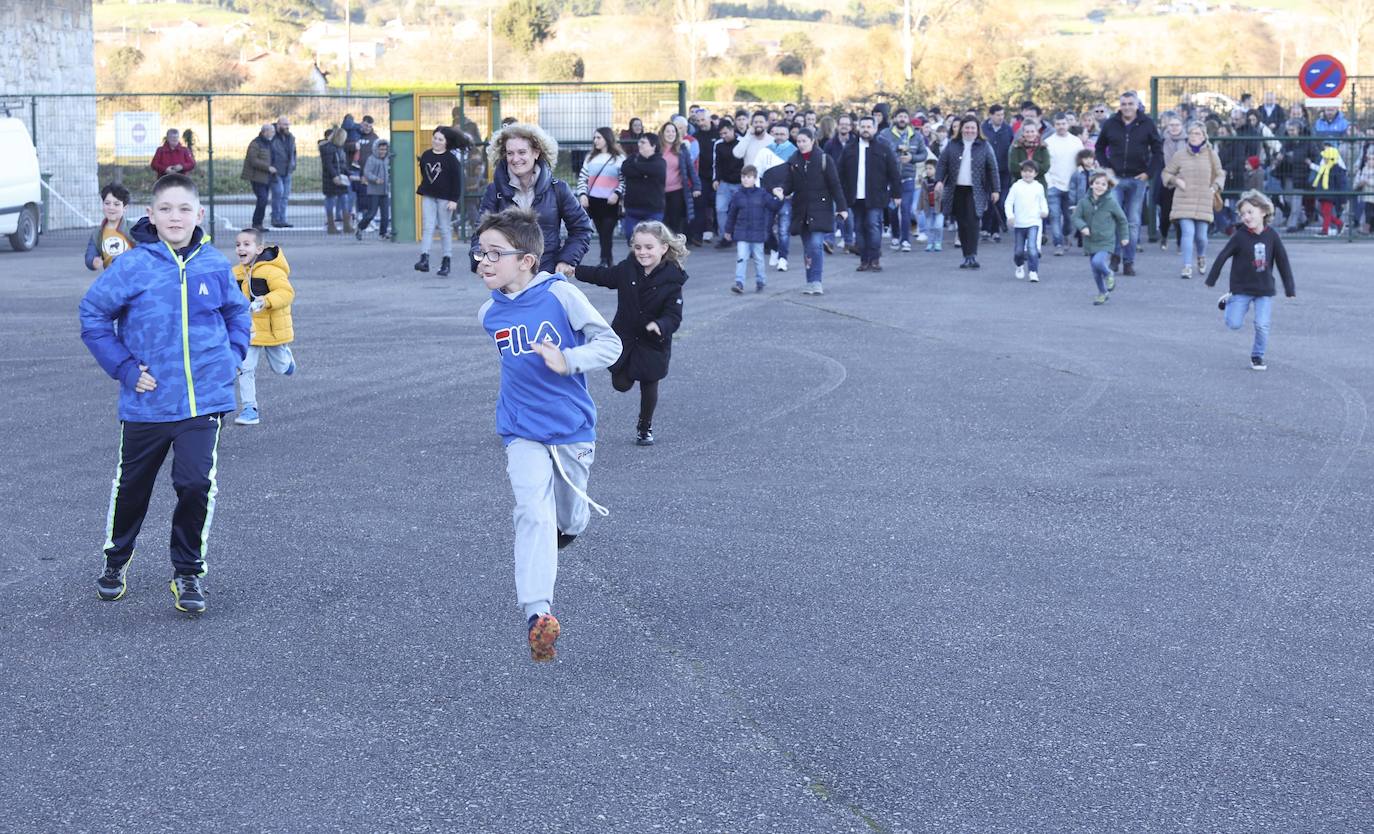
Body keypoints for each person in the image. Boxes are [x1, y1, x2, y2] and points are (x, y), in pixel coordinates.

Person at [78, 173, 251, 614]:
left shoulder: (214, 264)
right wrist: (124, 367)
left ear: (200, 215)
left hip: (204, 402)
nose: (176, 217)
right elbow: (93, 315)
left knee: (195, 483)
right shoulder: (133, 265)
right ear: (151, 216)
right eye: (167, 209)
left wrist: (231, 356)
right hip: (147, 403)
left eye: (184, 209)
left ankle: (188, 572)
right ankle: (116, 560)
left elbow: (236, 312)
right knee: (133, 485)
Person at [474, 208, 623, 662]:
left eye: (495, 253)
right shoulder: (488, 311)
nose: (483, 261)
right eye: (480, 252)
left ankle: (570, 528)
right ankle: (538, 614)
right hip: (520, 430)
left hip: (572, 429)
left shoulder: (561, 295)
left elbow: (610, 344)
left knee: (569, 518)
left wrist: (569, 360)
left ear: (527, 260)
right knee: (530, 511)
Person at [574, 220, 686, 446]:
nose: (642, 252)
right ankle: (632, 370)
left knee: (649, 382)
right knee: (621, 384)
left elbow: (674, 315)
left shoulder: (673, 279)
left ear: (663, 248)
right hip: (624, 336)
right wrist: (574, 270)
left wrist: (660, 325)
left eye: (648, 247)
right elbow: (602, 276)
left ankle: (645, 427)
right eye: (637, 247)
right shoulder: (627, 269)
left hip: (653, 341)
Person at [470, 122, 594, 277]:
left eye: (522, 152)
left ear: (536, 153)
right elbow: (479, 233)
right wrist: (479, 261)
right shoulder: (494, 190)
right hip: (507, 278)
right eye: (510, 153)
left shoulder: (558, 189)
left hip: (547, 275)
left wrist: (566, 260)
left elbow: (582, 228)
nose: (515, 159)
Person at [1204, 190, 1296, 371]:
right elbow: (1223, 256)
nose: (1246, 217)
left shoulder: (1272, 236)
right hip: (1242, 288)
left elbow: (1283, 262)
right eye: (1243, 214)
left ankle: (1257, 356)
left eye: (1250, 212)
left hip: (1264, 289)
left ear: (1263, 212)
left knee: (1262, 325)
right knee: (1234, 324)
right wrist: (1212, 278)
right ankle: (1229, 300)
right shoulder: (1239, 236)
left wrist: (1289, 289)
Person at [231, 227, 297, 426]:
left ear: (259, 249)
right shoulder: (235, 273)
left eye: (246, 244)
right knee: (245, 368)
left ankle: (287, 361)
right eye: (237, 245)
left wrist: (266, 300)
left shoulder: (272, 271)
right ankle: (250, 408)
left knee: (280, 368)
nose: (240, 248)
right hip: (248, 330)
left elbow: (286, 293)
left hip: (272, 330)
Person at [1095, 91, 1163, 275]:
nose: (1127, 107)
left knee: (1132, 221)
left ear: (1137, 105)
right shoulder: (1111, 124)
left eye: (1130, 104)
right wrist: (1106, 168)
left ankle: (1129, 260)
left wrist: (1149, 173)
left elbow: (1158, 150)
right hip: (1115, 179)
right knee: (1116, 219)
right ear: (1120, 105)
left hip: (1137, 179)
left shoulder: (1146, 123)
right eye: (1123, 104)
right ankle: (1115, 257)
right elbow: (1099, 147)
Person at [783, 128, 848, 295]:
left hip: (821, 208)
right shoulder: (793, 161)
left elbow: (835, 185)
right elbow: (789, 185)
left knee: (816, 244)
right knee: (807, 248)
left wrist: (842, 207)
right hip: (801, 210)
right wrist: (780, 190)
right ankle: (809, 281)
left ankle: (817, 281)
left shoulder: (824, 159)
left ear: (812, 141)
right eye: (798, 141)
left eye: (804, 141)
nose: (801, 144)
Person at [934, 115, 1000, 269]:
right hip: (956, 189)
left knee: (973, 221)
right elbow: (942, 164)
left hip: (975, 189)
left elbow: (993, 169)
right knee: (962, 223)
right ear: (961, 129)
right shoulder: (952, 144)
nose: (970, 131)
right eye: (967, 127)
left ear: (978, 130)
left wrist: (996, 190)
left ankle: (972, 255)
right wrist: (939, 180)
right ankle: (966, 255)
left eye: (973, 128)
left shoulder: (984, 146)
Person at [1161, 121, 1224, 280]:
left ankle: (1201, 256)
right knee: (1187, 233)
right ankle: (1187, 266)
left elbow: (1220, 174)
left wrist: (1215, 187)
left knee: (1201, 237)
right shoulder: (1180, 155)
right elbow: (1166, 173)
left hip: (1204, 199)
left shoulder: (1211, 154)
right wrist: (1176, 181)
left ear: (1204, 136)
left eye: (1198, 134)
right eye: (1192, 133)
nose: (1194, 136)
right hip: (1184, 199)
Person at [840, 115, 900, 272]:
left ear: (875, 129)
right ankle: (864, 260)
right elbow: (841, 173)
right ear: (858, 128)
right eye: (863, 126)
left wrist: (896, 194)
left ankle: (874, 259)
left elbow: (893, 172)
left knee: (873, 226)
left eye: (869, 127)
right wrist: (840, 196)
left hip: (876, 197)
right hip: (855, 197)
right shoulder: (850, 148)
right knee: (859, 228)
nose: (866, 130)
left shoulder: (883, 149)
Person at [1071, 171, 1129, 305]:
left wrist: (1125, 236)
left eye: (1103, 184)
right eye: (1096, 183)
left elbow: (1122, 220)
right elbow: (1076, 217)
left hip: (1106, 240)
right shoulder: (1084, 202)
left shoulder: (1111, 203)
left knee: (1098, 262)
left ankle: (1109, 274)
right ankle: (1102, 292)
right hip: (1090, 241)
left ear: (1108, 186)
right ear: (1091, 184)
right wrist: (1083, 226)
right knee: (1095, 270)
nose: (1099, 186)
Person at [414, 126, 465, 276]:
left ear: (446, 142)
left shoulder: (451, 160)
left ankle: (446, 261)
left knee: (444, 229)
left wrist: (453, 199)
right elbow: (425, 173)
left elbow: (457, 181)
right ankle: (424, 258)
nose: (436, 141)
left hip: (445, 199)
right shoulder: (426, 155)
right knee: (428, 226)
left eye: (440, 139)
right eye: (435, 138)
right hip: (429, 195)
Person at [724, 164, 781, 293]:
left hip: (758, 231)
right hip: (741, 231)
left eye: (749, 177)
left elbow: (773, 206)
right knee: (741, 257)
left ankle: (760, 280)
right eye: (743, 177)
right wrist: (728, 230)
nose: (745, 180)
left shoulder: (762, 194)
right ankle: (739, 283)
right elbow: (731, 214)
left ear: (755, 179)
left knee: (759, 258)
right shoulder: (737, 195)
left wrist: (779, 198)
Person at [576, 126, 626, 268]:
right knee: (601, 231)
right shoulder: (590, 157)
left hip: (611, 202)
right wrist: (582, 194)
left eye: (599, 137)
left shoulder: (618, 159)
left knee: (607, 231)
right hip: (594, 201)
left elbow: (623, 180)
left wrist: (617, 193)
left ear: (607, 138)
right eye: (594, 138)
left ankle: (605, 259)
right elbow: (583, 178)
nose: (595, 141)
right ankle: (607, 259)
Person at [877, 108, 926, 252]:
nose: (902, 119)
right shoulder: (885, 134)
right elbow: (879, 149)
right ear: (895, 118)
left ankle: (905, 240)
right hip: (890, 178)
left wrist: (912, 158)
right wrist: (896, 148)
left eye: (905, 116)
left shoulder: (916, 136)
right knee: (892, 209)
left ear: (908, 119)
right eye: (900, 116)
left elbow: (923, 154)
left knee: (905, 209)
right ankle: (895, 237)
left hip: (908, 177)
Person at [1044, 113, 1085, 256]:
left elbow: (1081, 162)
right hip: (1054, 184)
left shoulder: (1076, 142)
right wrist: (1049, 182)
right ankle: (1058, 243)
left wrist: (1080, 180)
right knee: (1055, 215)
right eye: (1058, 124)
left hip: (1071, 186)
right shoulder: (1048, 142)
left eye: (1063, 124)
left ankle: (1067, 234)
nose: (1061, 127)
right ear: (1054, 125)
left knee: (1069, 217)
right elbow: (1045, 164)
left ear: (1068, 124)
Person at [1004, 159, 1049, 282]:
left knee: (1032, 248)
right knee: (1019, 251)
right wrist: (1010, 216)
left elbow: (1042, 201)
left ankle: (1033, 271)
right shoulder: (1016, 186)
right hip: (1019, 223)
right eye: (1024, 171)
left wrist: (1045, 211)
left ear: (1035, 173)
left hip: (1033, 222)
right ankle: (1019, 266)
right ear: (1021, 172)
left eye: (1030, 171)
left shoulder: (1038, 187)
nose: (1027, 174)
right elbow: (1008, 202)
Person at [621, 132, 668, 241]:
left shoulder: (660, 162)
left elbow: (655, 169)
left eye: (643, 142)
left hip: (653, 209)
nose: (639, 144)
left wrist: (636, 169)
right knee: (631, 237)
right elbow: (625, 169)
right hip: (633, 209)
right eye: (639, 142)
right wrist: (644, 172)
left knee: (651, 239)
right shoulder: (632, 158)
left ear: (653, 146)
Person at [763, 122, 798, 270]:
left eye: (782, 134)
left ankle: (783, 258)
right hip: (769, 195)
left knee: (784, 230)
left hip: (787, 196)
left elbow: (796, 176)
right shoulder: (766, 150)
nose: (779, 137)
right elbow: (761, 173)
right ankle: (774, 249)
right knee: (766, 228)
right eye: (776, 134)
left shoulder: (794, 151)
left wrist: (789, 192)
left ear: (788, 135)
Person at [659, 120, 701, 239]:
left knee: (675, 222)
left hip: (677, 191)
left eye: (673, 131)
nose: (670, 134)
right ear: (663, 133)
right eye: (668, 131)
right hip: (660, 192)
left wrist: (696, 186)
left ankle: (674, 250)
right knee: (661, 222)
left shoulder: (681, 149)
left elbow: (690, 169)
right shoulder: (657, 149)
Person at [981, 105, 1015, 241]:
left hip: (1003, 170)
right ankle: (986, 228)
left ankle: (995, 229)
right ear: (990, 115)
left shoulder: (1008, 130)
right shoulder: (983, 129)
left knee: (1000, 200)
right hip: (986, 170)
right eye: (997, 115)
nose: (1000, 117)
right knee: (988, 200)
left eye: (1002, 114)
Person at [1155, 114, 1187, 252]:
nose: (1174, 128)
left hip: (1183, 182)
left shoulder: (1187, 142)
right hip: (1165, 182)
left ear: (1182, 126)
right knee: (1166, 213)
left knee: (1181, 214)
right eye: (1171, 125)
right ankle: (1164, 236)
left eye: (1177, 125)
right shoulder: (1161, 141)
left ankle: (1180, 243)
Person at [85, 183, 134, 271]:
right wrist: (93, 261)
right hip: (111, 278)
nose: (111, 207)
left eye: (116, 204)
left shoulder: (134, 228)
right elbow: (90, 254)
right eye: (107, 203)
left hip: (133, 277)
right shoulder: (97, 233)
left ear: (125, 208)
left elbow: (146, 249)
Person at [711, 120, 743, 250]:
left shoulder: (742, 142)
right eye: (721, 134)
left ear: (732, 130)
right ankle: (726, 236)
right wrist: (716, 179)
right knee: (720, 209)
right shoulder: (718, 145)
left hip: (740, 182)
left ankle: (740, 236)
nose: (723, 136)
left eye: (725, 133)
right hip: (724, 182)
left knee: (741, 211)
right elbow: (716, 163)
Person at [241, 123, 275, 231]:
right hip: (257, 177)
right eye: (271, 131)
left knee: (263, 200)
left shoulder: (268, 143)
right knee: (262, 199)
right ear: (265, 132)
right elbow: (253, 160)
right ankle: (256, 223)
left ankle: (258, 223)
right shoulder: (255, 144)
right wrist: (268, 167)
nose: (273, 134)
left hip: (266, 178)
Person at [319, 126, 352, 235]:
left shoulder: (340, 149)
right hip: (331, 179)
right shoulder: (328, 148)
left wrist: (348, 173)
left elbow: (342, 164)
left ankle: (347, 225)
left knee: (344, 200)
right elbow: (328, 165)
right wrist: (334, 176)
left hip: (340, 178)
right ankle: (331, 226)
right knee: (331, 199)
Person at [356, 139, 391, 239]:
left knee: (385, 215)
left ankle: (383, 233)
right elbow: (367, 172)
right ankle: (360, 227)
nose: (383, 152)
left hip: (384, 190)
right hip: (374, 191)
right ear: (376, 149)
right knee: (371, 213)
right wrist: (375, 179)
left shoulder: (387, 159)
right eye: (381, 149)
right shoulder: (371, 159)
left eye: (385, 149)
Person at [1311, 144, 1347, 236]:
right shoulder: (1324, 168)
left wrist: (1343, 199)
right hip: (1323, 194)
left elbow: (1341, 185)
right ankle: (1339, 224)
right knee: (1324, 212)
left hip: (1330, 195)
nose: (1325, 159)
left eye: (1326, 158)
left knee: (1326, 212)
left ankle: (1325, 230)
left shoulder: (1337, 170)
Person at [269, 116, 297, 228]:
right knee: (278, 194)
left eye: (288, 124)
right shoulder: (272, 137)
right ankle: (275, 218)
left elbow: (294, 152)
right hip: (276, 171)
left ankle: (282, 219)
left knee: (285, 196)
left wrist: (294, 164)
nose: (287, 127)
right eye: (285, 124)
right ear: (279, 124)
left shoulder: (290, 137)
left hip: (288, 170)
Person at [918, 159, 943, 252]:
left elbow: (944, 194)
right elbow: (922, 195)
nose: (928, 170)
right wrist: (919, 207)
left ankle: (938, 242)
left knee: (938, 225)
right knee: (929, 226)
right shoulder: (925, 182)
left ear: (936, 169)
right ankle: (930, 242)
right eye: (926, 168)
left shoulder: (940, 181)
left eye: (930, 168)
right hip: (928, 207)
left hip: (939, 208)